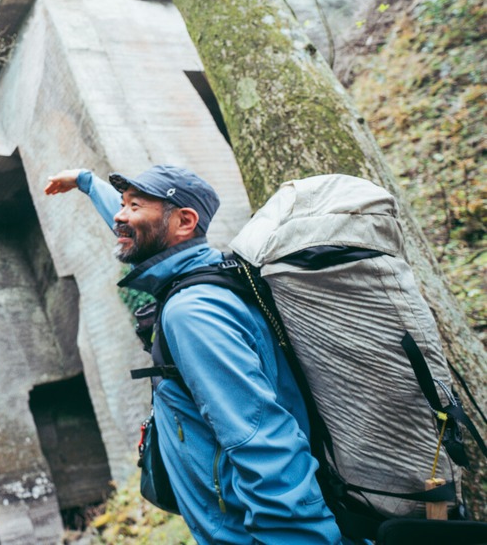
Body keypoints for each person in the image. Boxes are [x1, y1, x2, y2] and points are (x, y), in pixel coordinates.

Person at [45, 165, 344, 545]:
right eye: (120, 204)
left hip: (251, 534)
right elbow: (136, 232)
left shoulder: (193, 312)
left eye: (134, 205)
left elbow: (262, 441)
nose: (120, 215)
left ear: (185, 222)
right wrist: (87, 183)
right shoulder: (201, 272)